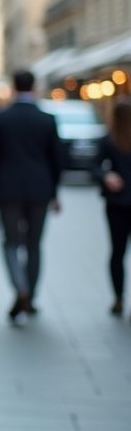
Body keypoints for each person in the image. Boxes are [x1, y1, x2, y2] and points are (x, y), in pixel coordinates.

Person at [0, 71, 64, 324]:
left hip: (7, 190)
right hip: (40, 190)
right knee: (34, 244)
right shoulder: (47, 119)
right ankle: (31, 295)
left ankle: (20, 287)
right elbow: (57, 160)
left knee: (10, 241)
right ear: (34, 87)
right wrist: (55, 192)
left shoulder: (0, 119)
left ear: (13, 87)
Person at [92, 98, 131, 317]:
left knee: (117, 251)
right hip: (117, 202)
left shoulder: (109, 139)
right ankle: (118, 297)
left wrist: (107, 176)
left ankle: (118, 297)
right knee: (118, 252)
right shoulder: (109, 140)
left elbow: (94, 166)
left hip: (116, 203)